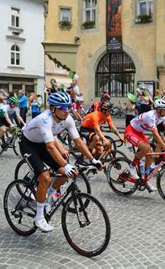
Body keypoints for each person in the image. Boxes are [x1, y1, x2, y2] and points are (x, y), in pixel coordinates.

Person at [20, 92, 102, 232]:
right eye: (63, 108)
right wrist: (66, 164)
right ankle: (39, 218)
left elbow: (78, 142)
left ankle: (47, 199)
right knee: (45, 177)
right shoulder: (45, 119)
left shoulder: (67, 119)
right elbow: (51, 147)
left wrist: (93, 160)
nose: (67, 111)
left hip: (43, 144)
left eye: (68, 107)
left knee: (65, 175)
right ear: (53, 108)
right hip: (28, 144)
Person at [124, 99, 165, 191]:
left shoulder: (163, 116)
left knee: (150, 156)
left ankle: (144, 179)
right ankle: (132, 165)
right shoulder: (151, 116)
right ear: (159, 110)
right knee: (146, 148)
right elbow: (155, 134)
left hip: (139, 132)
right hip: (130, 131)